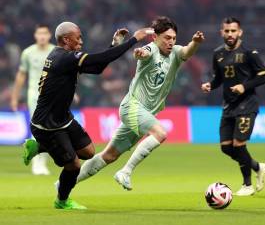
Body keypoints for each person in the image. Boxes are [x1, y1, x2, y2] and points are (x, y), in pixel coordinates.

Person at [24, 21, 153, 209]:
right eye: (78, 37)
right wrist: (134, 39)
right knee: (74, 166)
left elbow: (97, 67)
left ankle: (39, 147)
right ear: (66, 39)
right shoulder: (64, 58)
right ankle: (61, 201)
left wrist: (115, 44)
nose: (81, 41)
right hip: (47, 125)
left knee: (89, 152)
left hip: (63, 118)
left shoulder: (65, 56)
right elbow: (97, 60)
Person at [74, 16, 205, 190]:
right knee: (160, 133)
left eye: (173, 38)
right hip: (132, 107)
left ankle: (65, 184)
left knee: (109, 155)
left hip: (144, 113)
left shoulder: (175, 52)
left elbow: (187, 52)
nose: (171, 42)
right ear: (155, 37)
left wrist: (195, 42)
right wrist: (140, 54)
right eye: (166, 38)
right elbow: (144, 53)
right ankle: (125, 172)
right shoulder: (150, 49)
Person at [201, 17, 265, 196]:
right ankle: (257, 166)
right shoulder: (217, 53)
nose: (230, 34)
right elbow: (218, 78)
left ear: (240, 32)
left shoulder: (249, 52)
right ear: (221, 33)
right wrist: (210, 84)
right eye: (227, 31)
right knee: (226, 147)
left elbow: (264, 76)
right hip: (228, 106)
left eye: (233, 31)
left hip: (247, 104)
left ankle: (247, 185)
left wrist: (244, 86)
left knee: (239, 144)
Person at [11, 24, 55, 175]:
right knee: (38, 127)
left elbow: (65, 73)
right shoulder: (28, 53)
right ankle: (37, 163)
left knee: (51, 129)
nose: (42, 36)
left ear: (49, 35)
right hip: (35, 95)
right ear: (35, 35)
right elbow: (21, 75)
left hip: (53, 96)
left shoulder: (55, 51)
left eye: (45, 33)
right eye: (39, 33)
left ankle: (42, 163)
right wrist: (15, 97)